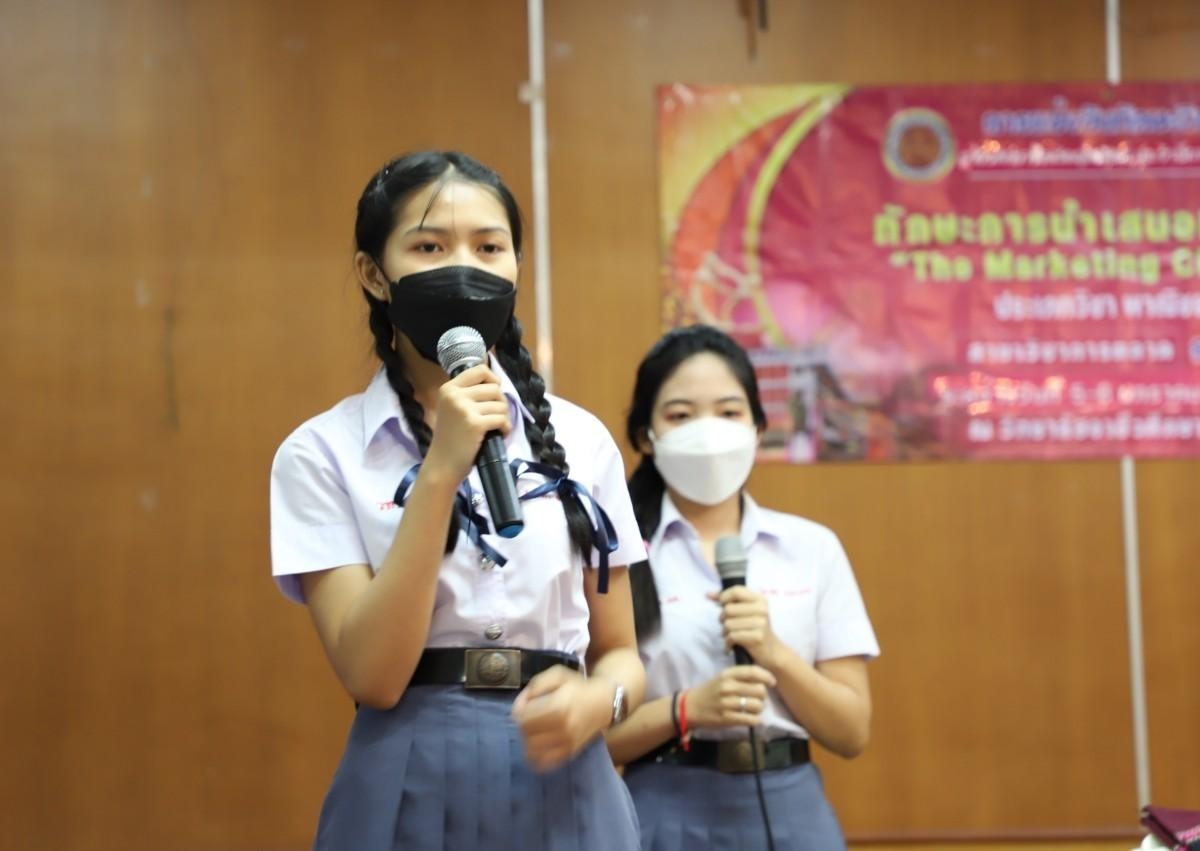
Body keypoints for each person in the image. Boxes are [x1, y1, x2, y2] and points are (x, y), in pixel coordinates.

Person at [269, 150, 646, 851]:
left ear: (515, 268)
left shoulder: (580, 438)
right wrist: (440, 471)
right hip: (407, 761)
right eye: (429, 246)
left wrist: (602, 699)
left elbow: (622, 652)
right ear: (373, 274)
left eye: (489, 246)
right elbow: (371, 674)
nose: (463, 265)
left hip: (564, 770)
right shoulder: (319, 452)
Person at [604, 324, 879, 850]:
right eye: (681, 415)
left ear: (757, 428)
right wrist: (686, 709)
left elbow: (852, 732)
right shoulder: (618, 556)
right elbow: (590, 734)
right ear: (645, 435)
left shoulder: (810, 548)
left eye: (729, 412)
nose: (707, 432)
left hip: (791, 805)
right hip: (663, 805)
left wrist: (774, 654)